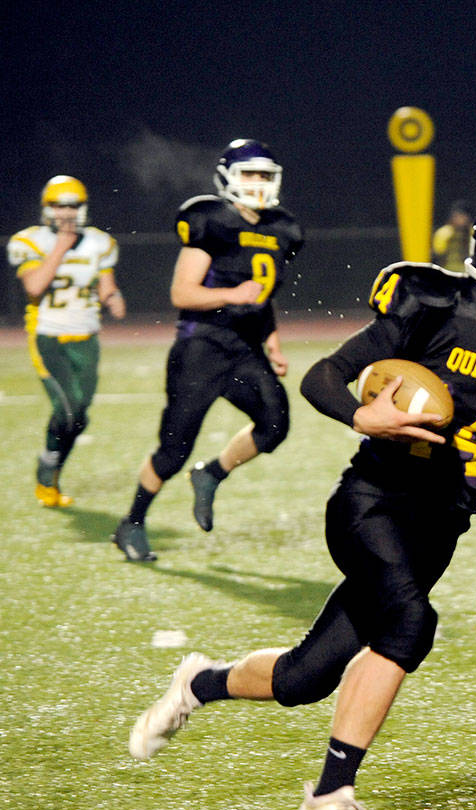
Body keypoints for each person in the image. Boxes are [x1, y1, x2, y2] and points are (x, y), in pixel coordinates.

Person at [127, 191, 476, 810]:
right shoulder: (434, 305)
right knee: (411, 625)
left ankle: (196, 684)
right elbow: (325, 375)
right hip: (372, 500)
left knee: (303, 678)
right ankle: (327, 800)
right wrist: (361, 416)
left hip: (441, 524)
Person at [112, 139, 303, 561]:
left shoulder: (280, 229)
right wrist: (234, 294)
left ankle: (212, 474)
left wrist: (272, 341)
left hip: (246, 348)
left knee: (275, 424)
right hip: (202, 346)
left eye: (263, 175)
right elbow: (182, 292)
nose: (257, 183)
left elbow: (263, 294)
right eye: (249, 174)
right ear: (228, 179)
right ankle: (132, 523)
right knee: (172, 451)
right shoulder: (210, 221)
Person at [6, 178, 127, 507]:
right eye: (60, 205)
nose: (67, 212)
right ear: (47, 208)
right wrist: (61, 246)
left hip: (86, 336)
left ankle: (53, 469)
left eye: (73, 205)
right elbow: (34, 286)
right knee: (67, 408)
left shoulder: (100, 243)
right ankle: (47, 467)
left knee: (79, 415)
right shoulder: (30, 241)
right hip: (48, 336)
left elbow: (106, 286)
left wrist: (114, 298)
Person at [431, 199, 472, 271]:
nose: (460, 219)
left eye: (463, 216)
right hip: (447, 271)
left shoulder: (471, 233)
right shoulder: (444, 233)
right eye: (458, 216)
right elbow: (438, 252)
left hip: (466, 271)